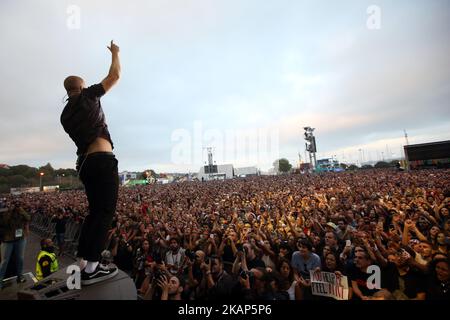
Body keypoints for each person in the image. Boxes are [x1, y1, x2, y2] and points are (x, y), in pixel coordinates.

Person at [60, 40, 121, 285]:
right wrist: (115, 53)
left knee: (94, 213)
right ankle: (93, 268)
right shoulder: (88, 95)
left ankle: (84, 262)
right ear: (82, 86)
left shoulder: (64, 115)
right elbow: (114, 75)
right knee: (105, 213)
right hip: (102, 161)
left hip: (84, 165)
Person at [0, 200, 30, 289]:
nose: (16, 207)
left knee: (20, 258)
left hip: (20, 238)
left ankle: (20, 276)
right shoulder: (5, 213)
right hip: (8, 239)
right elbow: (5, 222)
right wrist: (10, 211)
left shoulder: (21, 212)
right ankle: (0, 280)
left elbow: (28, 218)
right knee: (5, 261)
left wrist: (21, 210)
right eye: (15, 205)